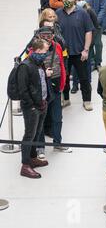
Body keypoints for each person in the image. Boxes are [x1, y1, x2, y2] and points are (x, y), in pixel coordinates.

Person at [33, 16, 67, 159]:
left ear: (53, 36)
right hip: (42, 90)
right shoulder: (33, 49)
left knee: (57, 118)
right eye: (43, 35)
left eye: (49, 35)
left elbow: (62, 65)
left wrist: (62, 85)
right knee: (41, 120)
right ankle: (40, 148)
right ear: (39, 36)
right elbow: (30, 70)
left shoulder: (58, 46)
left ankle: (57, 143)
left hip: (56, 87)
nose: (46, 38)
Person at [17, 39, 52, 179]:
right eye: (44, 52)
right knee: (29, 135)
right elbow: (23, 91)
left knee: (37, 133)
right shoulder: (25, 66)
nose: (46, 55)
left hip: (42, 104)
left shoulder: (39, 63)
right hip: (32, 108)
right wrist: (32, 105)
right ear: (37, 51)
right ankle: (25, 166)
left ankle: (32, 158)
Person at [56, 0, 95, 111]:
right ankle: (66, 99)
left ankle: (87, 101)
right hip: (64, 54)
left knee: (84, 79)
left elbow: (88, 31)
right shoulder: (58, 14)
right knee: (65, 78)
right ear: (62, 0)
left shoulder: (82, 13)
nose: (67, 1)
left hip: (79, 53)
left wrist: (86, 50)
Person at [82, 0, 106, 71]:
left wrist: (97, 21)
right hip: (87, 25)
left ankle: (98, 62)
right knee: (90, 44)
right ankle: (91, 62)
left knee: (98, 44)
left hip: (98, 25)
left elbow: (103, 8)